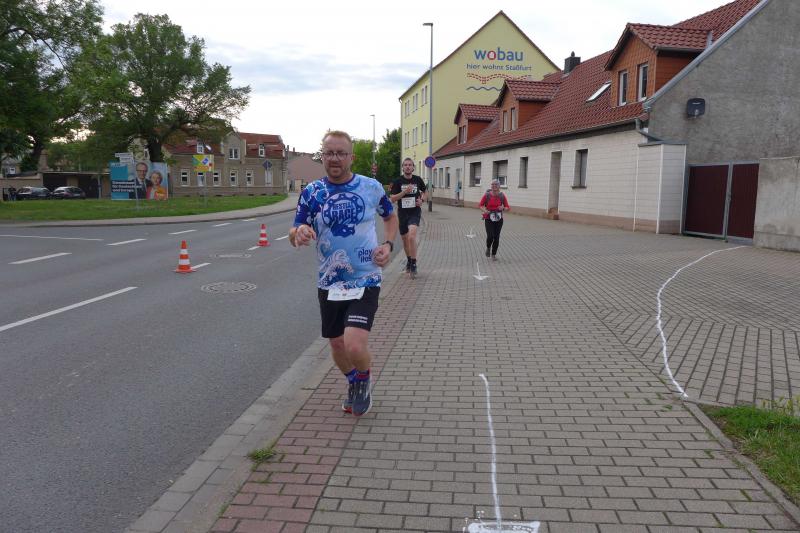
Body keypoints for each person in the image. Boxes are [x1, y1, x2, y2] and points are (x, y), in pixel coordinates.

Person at [289, 130, 398, 417]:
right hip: (329, 281)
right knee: (337, 344)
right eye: (329, 153)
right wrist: (298, 233)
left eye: (340, 153)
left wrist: (388, 244)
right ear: (322, 156)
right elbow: (295, 228)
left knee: (354, 343)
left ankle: (363, 378)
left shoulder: (371, 187)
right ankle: (355, 380)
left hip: (365, 278)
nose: (335, 158)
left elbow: (390, 216)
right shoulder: (312, 193)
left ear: (351, 157)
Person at [389, 158, 426, 278]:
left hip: (415, 212)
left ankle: (414, 263)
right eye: (405, 165)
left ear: (413, 167)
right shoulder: (397, 181)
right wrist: (404, 192)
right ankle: (409, 260)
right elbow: (392, 199)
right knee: (405, 240)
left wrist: (422, 200)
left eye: (410, 165)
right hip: (402, 213)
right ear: (402, 167)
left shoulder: (418, 179)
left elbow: (425, 191)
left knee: (412, 236)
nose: (408, 167)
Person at [479, 179, 510, 261]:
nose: (494, 186)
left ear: (499, 186)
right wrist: (485, 210)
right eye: (492, 184)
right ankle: (488, 247)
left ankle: (493, 254)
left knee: (496, 237)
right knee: (490, 236)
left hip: (499, 219)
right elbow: (480, 205)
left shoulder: (502, 196)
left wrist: (503, 208)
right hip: (488, 218)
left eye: (496, 184)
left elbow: (507, 207)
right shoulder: (487, 195)